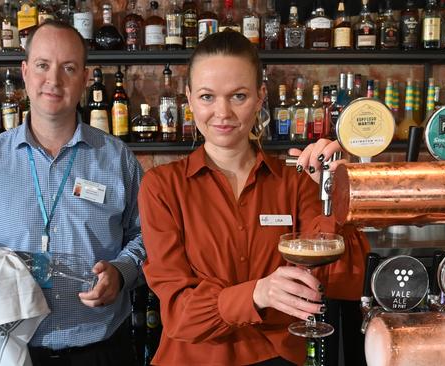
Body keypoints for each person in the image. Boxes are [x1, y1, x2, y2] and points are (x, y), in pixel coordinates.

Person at [137, 31, 368, 366]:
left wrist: (336, 194)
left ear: (261, 97)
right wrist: (258, 293)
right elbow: (179, 313)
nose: (222, 112)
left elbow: (341, 280)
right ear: (188, 98)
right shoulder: (162, 186)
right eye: (206, 97)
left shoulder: (296, 179)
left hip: (281, 356)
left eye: (238, 96)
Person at [0, 20, 145, 365]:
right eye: (42, 65)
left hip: (102, 350)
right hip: (15, 350)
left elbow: (146, 234)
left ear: (84, 78)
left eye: (68, 68)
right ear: (25, 71)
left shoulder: (117, 158)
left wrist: (122, 272)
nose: (54, 80)